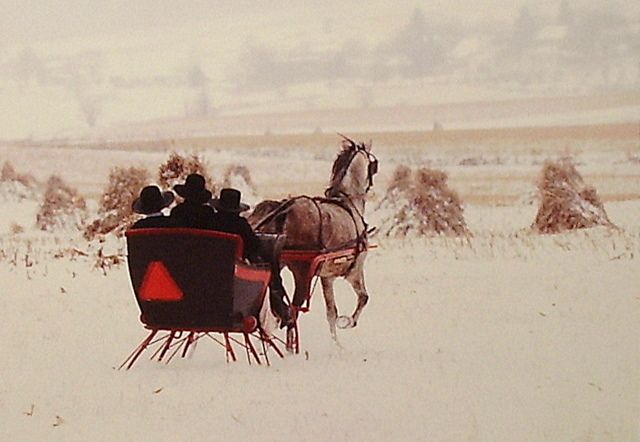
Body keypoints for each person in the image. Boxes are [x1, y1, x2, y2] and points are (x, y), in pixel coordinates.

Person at [210, 188, 293, 327]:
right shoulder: (240, 224)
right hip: (234, 276)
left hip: (209, 271)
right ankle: (279, 306)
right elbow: (254, 245)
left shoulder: (210, 222)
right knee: (268, 269)